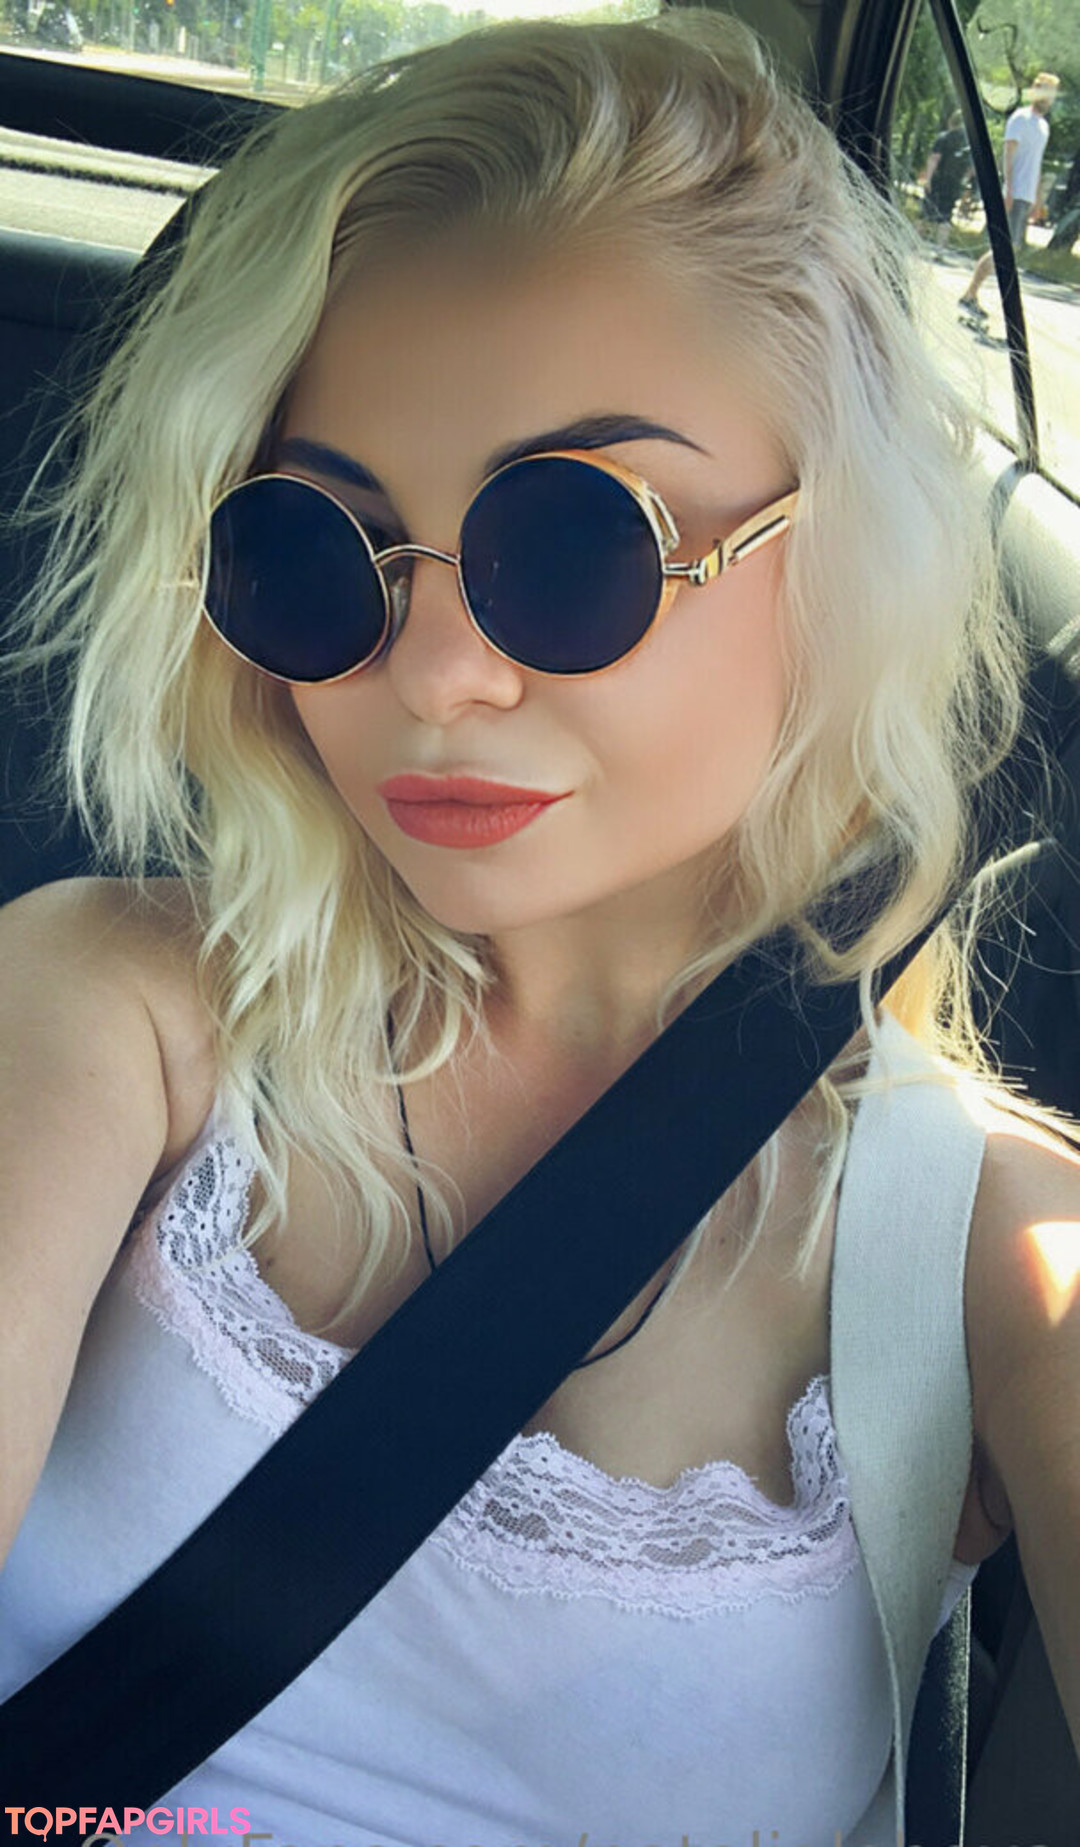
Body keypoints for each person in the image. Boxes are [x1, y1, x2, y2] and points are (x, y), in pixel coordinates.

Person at [0, 10, 1078, 1844]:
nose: (433, 675)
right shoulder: (117, 1007)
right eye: (314, 553)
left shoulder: (984, 1253)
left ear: (839, 550)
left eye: (573, 544)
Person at [958, 69, 1060, 320]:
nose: (1048, 98)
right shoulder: (1020, 118)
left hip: (1026, 195)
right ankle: (970, 295)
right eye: (1045, 92)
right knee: (1004, 247)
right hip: (1013, 193)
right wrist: (1009, 190)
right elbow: (1008, 155)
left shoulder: (1043, 126)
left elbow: (1036, 164)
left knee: (1009, 248)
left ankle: (972, 295)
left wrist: (1038, 199)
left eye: (1052, 94)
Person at [919, 107, 971, 251]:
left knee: (926, 213)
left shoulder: (944, 138)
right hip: (954, 184)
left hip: (938, 181)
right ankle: (940, 249)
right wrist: (964, 183)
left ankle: (914, 243)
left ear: (951, 121)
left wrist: (928, 179)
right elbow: (970, 168)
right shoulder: (967, 144)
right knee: (946, 217)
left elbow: (934, 158)